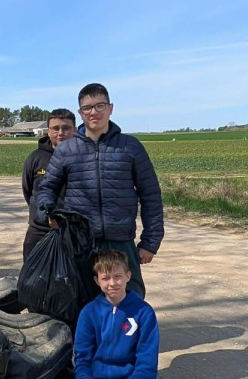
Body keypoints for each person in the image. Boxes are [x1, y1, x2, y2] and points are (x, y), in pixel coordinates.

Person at [37, 82, 164, 300]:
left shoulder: (130, 147)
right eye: (87, 108)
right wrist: (47, 212)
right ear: (80, 112)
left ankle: (125, 335)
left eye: (100, 106)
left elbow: (151, 195)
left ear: (110, 108)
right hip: (80, 244)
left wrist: (150, 242)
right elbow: (47, 188)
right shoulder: (67, 150)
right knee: (83, 304)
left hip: (121, 241)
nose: (93, 112)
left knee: (129, 301)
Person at [63, 249, 160, 379]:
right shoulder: (89, 312)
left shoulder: (144, 312)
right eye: (105, 278)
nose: (112, 283)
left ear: (128, 276)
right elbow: (82, 360)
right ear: (97, 281)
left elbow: (147, 369)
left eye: (117, 276)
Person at [21, 109, 76, 259]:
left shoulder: (83, 158)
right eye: (55, 128)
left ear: (75, 130)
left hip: (74, 232)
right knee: (33, 280)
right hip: (39, 231)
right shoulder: (35, 158)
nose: (60, 133)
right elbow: (28, 191)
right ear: (48, 131)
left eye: (66, 128)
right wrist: (43, 215)